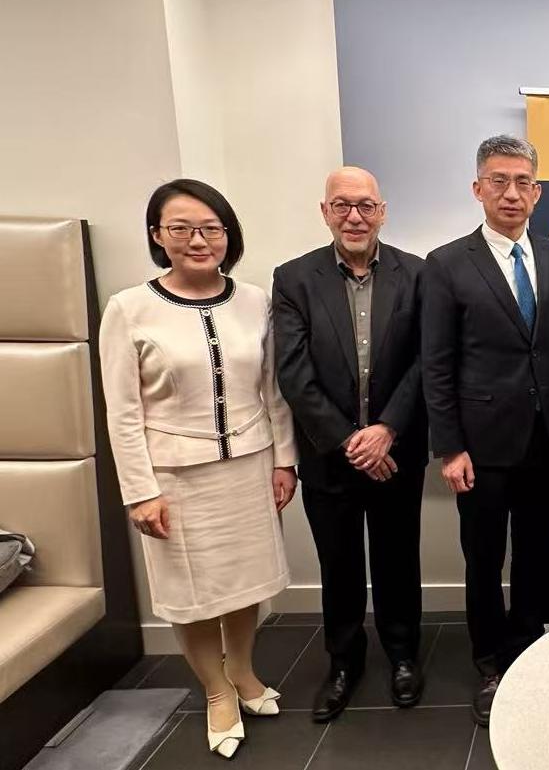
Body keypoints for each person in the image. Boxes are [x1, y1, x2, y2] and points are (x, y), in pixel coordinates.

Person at [100, 179, 297, 759]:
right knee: (192, 593)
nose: (198, 240)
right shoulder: (129, 309)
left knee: (244, 583)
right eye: (181, 228)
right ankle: (215, 690)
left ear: (228, 235)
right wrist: (140, 491)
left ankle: (242, 670)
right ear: (157, 235)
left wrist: (285, 460)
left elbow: (273, 389)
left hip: (249, 464)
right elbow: (122, 412)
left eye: (211, 228)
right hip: (174, 477)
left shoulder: (254, 300)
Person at [423, 134, 549, 727]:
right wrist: (449, 447)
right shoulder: (446, 263)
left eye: (522, 182)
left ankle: (528, 647)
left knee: (538, 555)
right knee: (485, 559)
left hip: (545, 441)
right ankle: (490, 661)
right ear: (478, 188)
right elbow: (437, 363)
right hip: (480, 448)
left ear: (537, 192)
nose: (511, 193)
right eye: (498, 181)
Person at [272, 167, 429, 723]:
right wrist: (349, 441)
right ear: (325, 212)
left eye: (365, 206)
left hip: (396, 452)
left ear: (382, 211)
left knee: (397, 560)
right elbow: (293, 373)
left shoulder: (417, 274)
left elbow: (425, 362)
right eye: (342, 205)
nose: (354, 216)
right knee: (338, 565)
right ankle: (343, 664)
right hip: (328, 457)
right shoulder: (294, 278)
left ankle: (403, 655)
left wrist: (387, 429)